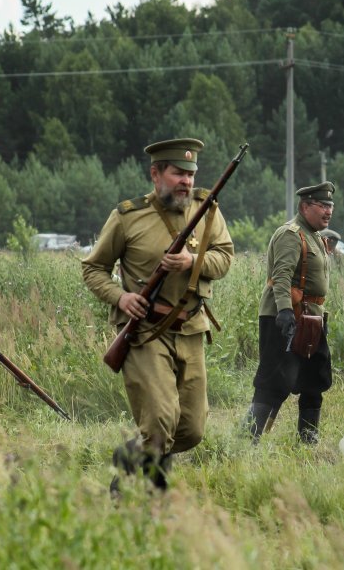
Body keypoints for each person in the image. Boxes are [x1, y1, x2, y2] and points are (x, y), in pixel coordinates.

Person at [82, 138, 234, 491]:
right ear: (156, 174)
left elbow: (225, 257)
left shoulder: (208, 210)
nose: (186, 181)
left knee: (192, 429)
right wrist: (121, 299)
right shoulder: (127, 216)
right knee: (160, 421)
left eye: (191, 174)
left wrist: (192, 262)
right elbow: (93, 270)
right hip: (146, 333)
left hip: (191, 328)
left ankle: (131, 458)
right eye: (178, 173)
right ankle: (152, 498)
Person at [243, 182, 335, 444]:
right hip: (286, 316)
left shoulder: (315, 235)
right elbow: (280, 276)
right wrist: (284, 312)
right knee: (274, 380)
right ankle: (246, 440)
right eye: (323, 205)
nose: (328, 211)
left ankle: (308, 439)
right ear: (305, 206)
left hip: (312, 318)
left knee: (314, 379)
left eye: (330, 205)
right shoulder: (291, 234)